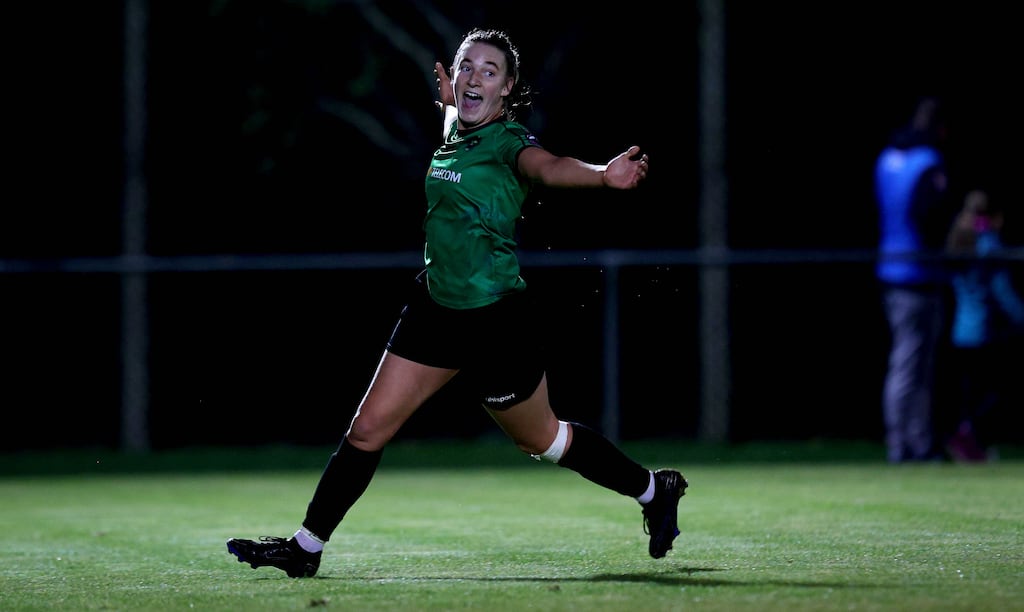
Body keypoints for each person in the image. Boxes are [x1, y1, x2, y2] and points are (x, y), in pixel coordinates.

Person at [225, 27, 686, 579]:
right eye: (467, 65)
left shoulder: (510, 142)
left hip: (496, 322)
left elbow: (549, 166)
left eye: (488, 71)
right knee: (367, 430)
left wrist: (600, 176)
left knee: (543, 440)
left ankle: (654, 489)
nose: (473, 77)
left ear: (507, 88)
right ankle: (306, 547)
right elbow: (453, 122)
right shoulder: (455, 133)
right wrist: (449, 106)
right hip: (435, 308)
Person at [874, 96, 957, 463]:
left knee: (908, 360)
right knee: (912, 364)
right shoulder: (928, 162)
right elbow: (929, 218)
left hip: (890, 268)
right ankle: (906, 444)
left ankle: (912, 441)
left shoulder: (887, 158)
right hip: (918, 273)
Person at [943, 189, 1024, 462]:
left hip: (960, 331)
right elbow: (1002, 291)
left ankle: (968, 443)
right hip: (983, 332)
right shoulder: (987, 244)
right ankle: (965, 439)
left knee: (972, 395)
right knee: (992, 393)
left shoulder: (959, 239)